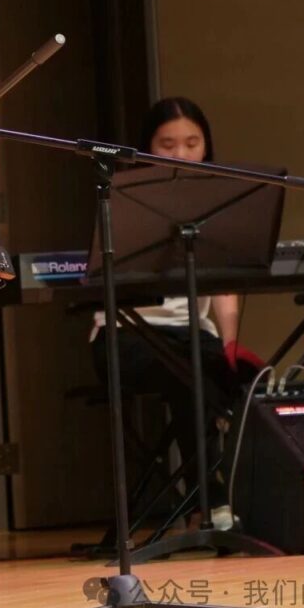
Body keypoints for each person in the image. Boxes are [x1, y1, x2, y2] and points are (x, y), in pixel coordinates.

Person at [91, 96, 263, 530]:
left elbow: (223, 288)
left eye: (192, 143)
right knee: (191, 372)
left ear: (207, 146)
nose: (181, 154)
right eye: (167, 145)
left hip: (192, 338)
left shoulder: (217, 204)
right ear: (148, 148)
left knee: (233, 372)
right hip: (126, 336)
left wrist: (230, 343)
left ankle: (227, 498)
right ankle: (211, 499)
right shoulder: (124, 198)